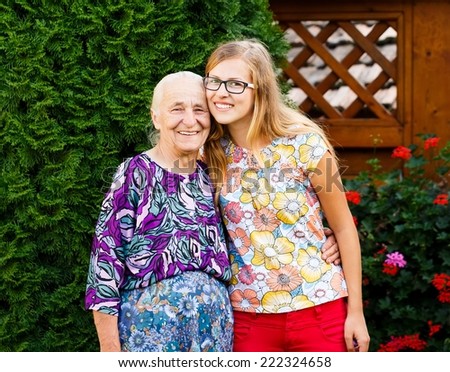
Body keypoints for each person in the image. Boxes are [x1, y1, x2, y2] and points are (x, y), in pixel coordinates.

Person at [202, 39, 370, 352]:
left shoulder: (308, 144)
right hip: (248, 317)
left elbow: (345, 227)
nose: (221, 93)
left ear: (260, 89)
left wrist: (356, 313)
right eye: (214, 81)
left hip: (320, 307)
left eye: (236, 84)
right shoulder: (208, 153)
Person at [84, 71, 234, 352]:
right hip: (150, 335)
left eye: (199, 109)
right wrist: (110, 349)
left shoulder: (213, 176)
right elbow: (105, 263)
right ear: (156, 117)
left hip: (214, 334)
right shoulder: (135, 173)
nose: (190, 120)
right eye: (177, 109)